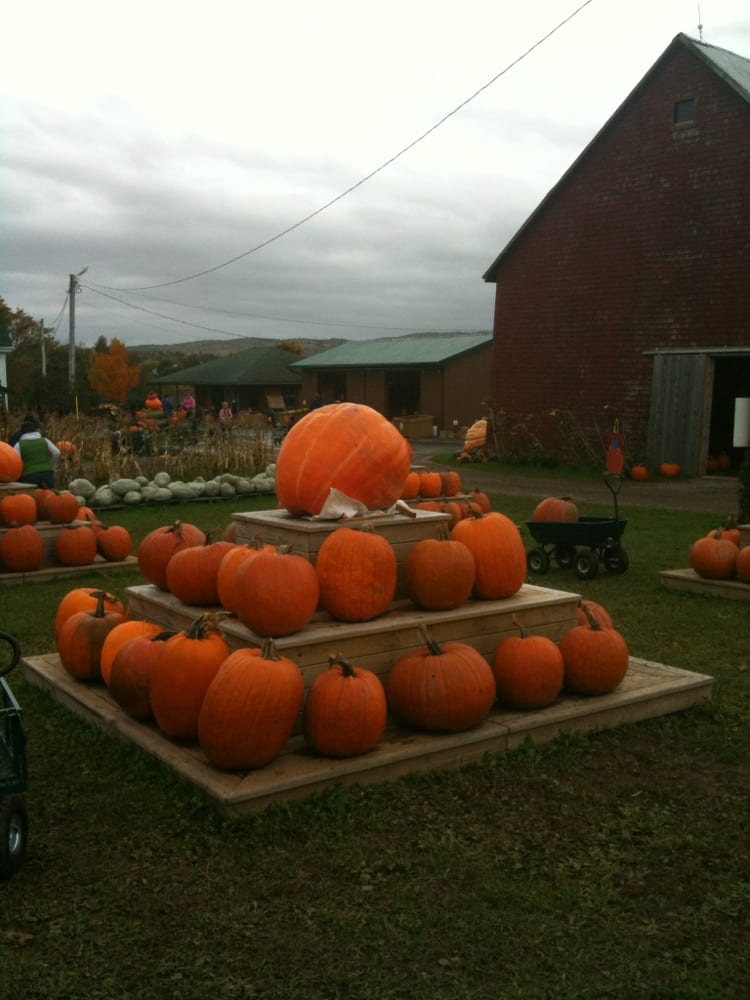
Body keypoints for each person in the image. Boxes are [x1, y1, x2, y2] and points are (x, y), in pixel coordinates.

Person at [14, 419, 60, 487]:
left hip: (29, 475)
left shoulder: (19, 445)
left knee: (32, 497)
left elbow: (15, 460)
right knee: (52, 495)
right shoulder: (45, 440)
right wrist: (50, 463)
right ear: (35, 430)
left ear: (22, 432)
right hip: (47, 473)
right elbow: (57, 452)